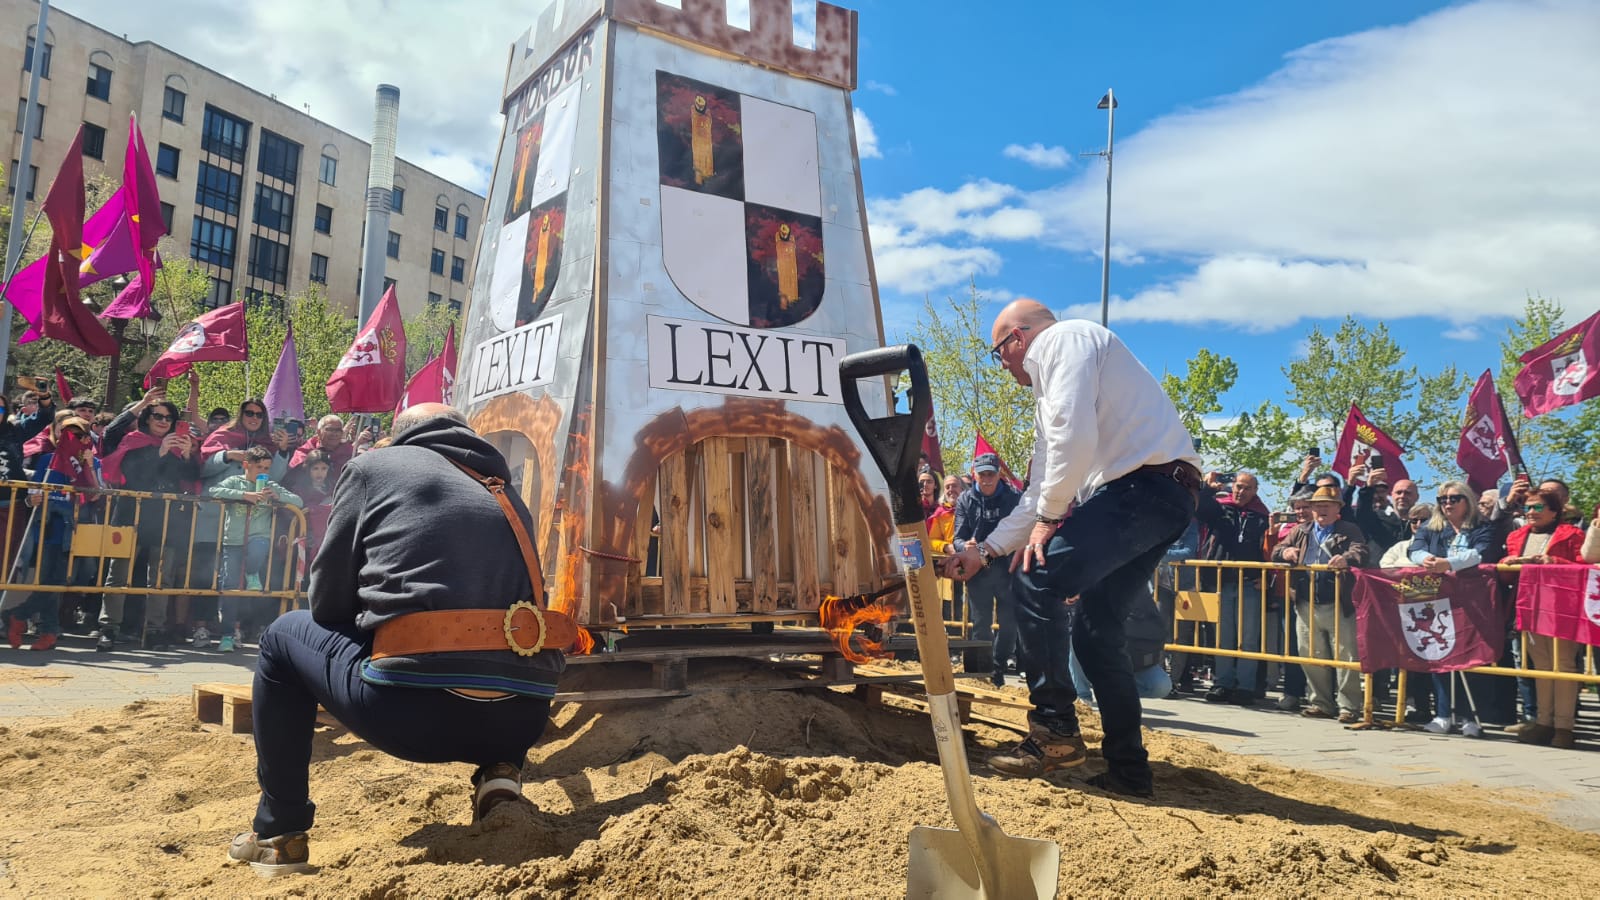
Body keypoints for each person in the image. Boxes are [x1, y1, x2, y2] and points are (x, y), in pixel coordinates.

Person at [226, 404, 567, 875]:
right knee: (499, 643)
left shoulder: (373, 466)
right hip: (522, 719)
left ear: (398, 436)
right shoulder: (504, 488)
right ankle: (500, 776)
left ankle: (278, 833)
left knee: (282, 637)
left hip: (411, 716)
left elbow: (327, 602)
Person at [941, 301, 1199, 798]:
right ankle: (1129, 770)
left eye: (1000, 355)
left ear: (1017, 339)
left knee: (1036, 577)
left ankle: (1054, 729)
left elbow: (1071, 442)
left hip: (1141, 490)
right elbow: (1042, 485)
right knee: (1096, 631)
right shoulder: (1052, 387)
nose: (1004, 367)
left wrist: (1047, 521)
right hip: (1158, 495)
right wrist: (988, 550)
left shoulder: (1065, 341)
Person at [96, 391, 202, 650]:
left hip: (165, 519)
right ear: (147, 417)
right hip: (129, 515)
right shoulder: (133, 440)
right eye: (157, 416)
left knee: (161, 578)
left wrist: (187, 455)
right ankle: (108, 628)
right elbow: (135, 474)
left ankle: (154, 630)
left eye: (169, 417)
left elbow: (190, 478)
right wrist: (161, 452)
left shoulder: (177, 444)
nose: (163, 421)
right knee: (117, 574)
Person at [1408, 480, 1500, 734]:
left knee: (1471, 658)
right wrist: (1424, 559)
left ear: (1467, 500)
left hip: (1473, 601)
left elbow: (1480, 553)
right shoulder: (1430, 527)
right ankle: (1442, 714)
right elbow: (1414, 549)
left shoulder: (1481, 527)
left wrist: (1448, 563)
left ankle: (1471, 717)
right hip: (1439, 601)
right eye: (1442, 499)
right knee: (1441, 655)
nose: (1447, 503)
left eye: (1454, 498)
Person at [1271, 485, 1369, 723]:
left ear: (1339, 509)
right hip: (1306, 602)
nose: (1321, 510)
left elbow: (1361, 552)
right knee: (1310, 655)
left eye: (1327, 505)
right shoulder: (1300, 531)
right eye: (1317, 506)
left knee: (1346, 657)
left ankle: (1349, 707)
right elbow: (1276, 550)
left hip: (1338, 602)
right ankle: (1320, 703)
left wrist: (1345, 558)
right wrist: (1285, 553)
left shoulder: (1349, 529)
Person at [199, 400, 293, 643]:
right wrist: (227, 455)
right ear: (240, 415)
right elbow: (201, 468)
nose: (254, 417)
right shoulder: (222, 435)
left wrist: (281, 452)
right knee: (205, 575)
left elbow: (274, 477)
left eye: (259, 414)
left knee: (241, 580)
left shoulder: (266, 443)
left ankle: (234, 629)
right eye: (249, 413)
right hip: (214, 519)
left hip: (250, 528)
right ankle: (204, 627)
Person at [2, 417, 99, 651]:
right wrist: (32, 498)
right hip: (48, 530)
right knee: (48, 582)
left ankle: (18, 614)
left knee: (67, 582)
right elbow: (34, 492)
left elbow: (96, 494)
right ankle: (49, 631)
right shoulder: (48, 460)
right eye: (65, 433)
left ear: (87, 438)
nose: (70, 439)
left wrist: (87, 466)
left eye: (76, 434)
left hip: (77, 531)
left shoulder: (93, 462)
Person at [1502, 489, 1585, 749]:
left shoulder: (1572, 534)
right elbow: (1505, 574)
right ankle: (1543, 722)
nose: (1530, 513)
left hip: (1563, 607)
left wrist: (1554, 561)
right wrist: (1509, 562)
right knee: (1541, 666)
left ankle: (1564, 727)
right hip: (1530, 606)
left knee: (1564, 665)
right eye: (1528, 507)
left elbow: (1584, 567)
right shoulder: (1516, 536)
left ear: (1554, 511)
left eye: (1537, 507)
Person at [210, 446, 303, 652]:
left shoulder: (270, 485)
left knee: (259, 550)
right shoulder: (235, 481)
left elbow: (298, 501)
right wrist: (244, 495)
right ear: (246, 465)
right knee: (230, 588)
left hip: (259, 537)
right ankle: (227, 635)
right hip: (233, 541)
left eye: (267, 468)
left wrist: (278, 497)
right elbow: (214, 490)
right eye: (259, 466)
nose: (263, 471)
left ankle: (253, 573)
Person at [1194, 472, 1272, 706]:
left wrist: (1266, 577)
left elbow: (1268, 549)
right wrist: (1207, 488)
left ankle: (1246, 687)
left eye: (1247, 488)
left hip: (1249, 583)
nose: (1241, 492)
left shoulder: (1262, 516)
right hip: (1221, 582)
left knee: (1248, 638)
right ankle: (1222, 683)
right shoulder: (1221, 510)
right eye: (1238, 486)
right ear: (1232, 487)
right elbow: (1200, 509)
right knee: (1223, 637)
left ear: (1255, 491)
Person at [951, 453, 1023, 684]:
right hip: (979, 565)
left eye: (991, 474)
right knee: (980, 623)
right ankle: (977, 672)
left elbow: (1024, 529)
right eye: (982, 474)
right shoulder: (965, 499)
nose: (987, 479)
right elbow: (958, 538)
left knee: (1009, 623)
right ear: (975, 475)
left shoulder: (1015, 497)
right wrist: (965, 545)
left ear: (999, 473)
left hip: (1008, 564)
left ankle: (998, 668)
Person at [285, 415, 352, 493]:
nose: (335, 434)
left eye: (338, 430)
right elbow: (293, 480)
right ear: (319, 432)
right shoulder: (305, 451)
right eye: (329, 429)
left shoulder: (348, 452)